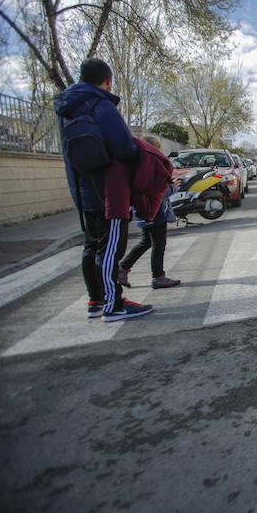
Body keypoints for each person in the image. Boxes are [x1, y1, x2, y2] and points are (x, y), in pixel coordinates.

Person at [54, 58, 153, 322]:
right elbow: (124, 148)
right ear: (108, 81)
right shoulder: (100, 104)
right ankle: (114, 304)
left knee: (92, 246)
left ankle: (96, 300)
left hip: (81, 190)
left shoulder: (67, 109)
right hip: (109, 190)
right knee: (110, 248)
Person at [118, 136, 181, 290]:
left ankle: (123, 269)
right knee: (159, 244)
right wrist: (173, 187)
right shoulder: (150, 164)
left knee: (146, 242)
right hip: (154, 210)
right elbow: (157, 191)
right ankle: (158, 277)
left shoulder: (135, 164)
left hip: (142, 209)